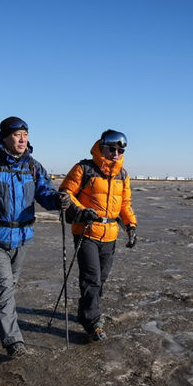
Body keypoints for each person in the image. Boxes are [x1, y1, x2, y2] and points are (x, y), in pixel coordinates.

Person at [0, 116, 70, 359]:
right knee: (4, 285)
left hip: (22, 237)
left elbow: (45, 193)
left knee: (8, 285)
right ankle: (13, 340)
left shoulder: (33, 166)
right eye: (17, 135)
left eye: (25, 135)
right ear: (5, 138)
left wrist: (57, 199)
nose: (22, 139)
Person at [59, 129, 137, 341]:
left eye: (120, 151)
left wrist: (131, 226)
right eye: (111, 149)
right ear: (101, 147)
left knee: (100, 280)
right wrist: (81, 211)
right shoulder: (84, 168)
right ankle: (93, 322)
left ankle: (85, 311)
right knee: (91, 278)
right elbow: (66, 193)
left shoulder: (123, 175)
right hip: (86, 233)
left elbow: (124, 204)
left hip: (110, 235)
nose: (115, 154)